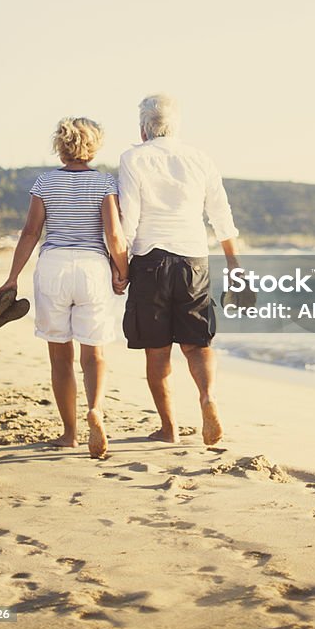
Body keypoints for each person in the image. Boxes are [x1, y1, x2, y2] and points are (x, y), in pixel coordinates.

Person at [0, 117, 128, 458]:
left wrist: (12, 277)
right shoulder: (104, 183)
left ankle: (69, 433)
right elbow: (113, 235)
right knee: (93, 352)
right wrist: (121, 272)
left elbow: (30, 233)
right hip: (92, 268)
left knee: (59, 355)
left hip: (53, 267)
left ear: (60, 146)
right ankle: (94, 408)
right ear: (93, 146)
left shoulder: (44, 183)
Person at [118, 93, 241, 446]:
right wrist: (234, 264)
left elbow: (130, 217)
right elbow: (221, 214)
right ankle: (207, 399)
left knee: (157, 350)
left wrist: (121, 268)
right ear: (176, 125)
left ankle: (168, 429)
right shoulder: (199, 158)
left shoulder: (132, 158)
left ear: (143, 128)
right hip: (194, 260)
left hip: (150, 260)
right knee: (197, 344)